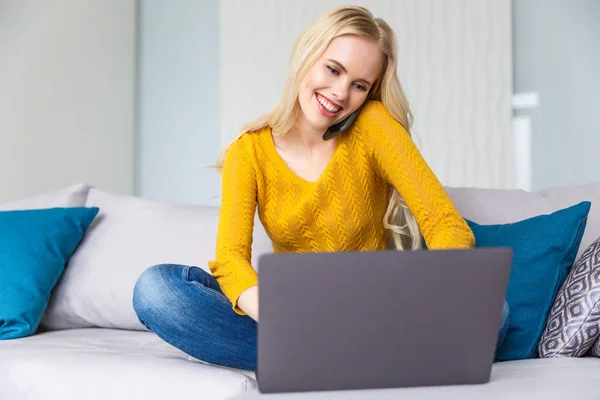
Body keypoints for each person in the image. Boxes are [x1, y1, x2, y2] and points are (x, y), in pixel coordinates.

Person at [132, 5, 510, 372]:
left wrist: (424, 293)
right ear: (307, 56)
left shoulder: (373, 126)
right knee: (156, 290)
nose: (341, 93)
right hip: (294, 317)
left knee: (497, 311)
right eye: (333, 69)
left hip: (379, 312)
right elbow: (230, 260)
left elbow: (446, 223)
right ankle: (364, 359)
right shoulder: (248, 150)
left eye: (359, 85)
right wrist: (280, 316)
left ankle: (337, 358)